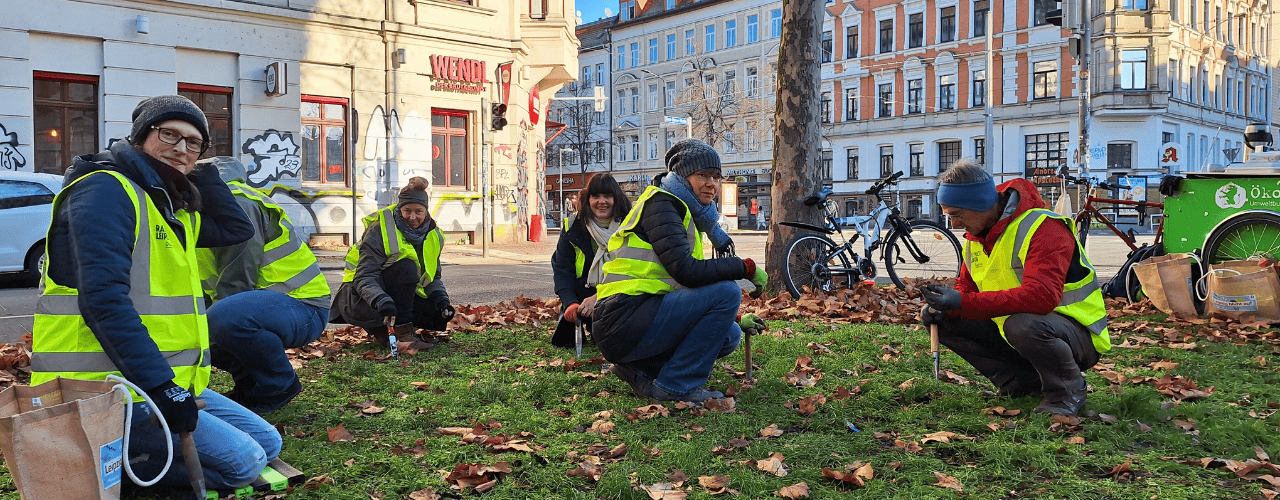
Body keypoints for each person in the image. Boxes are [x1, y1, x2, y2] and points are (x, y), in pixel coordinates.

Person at [30, 95, 281, 489]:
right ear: (141, 137)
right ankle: (108, 469)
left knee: (269, 442)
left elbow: (237, 230)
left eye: (193, 142)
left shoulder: (166, 204)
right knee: (245, 463)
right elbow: (103, 300)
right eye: (169, 135)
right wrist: (162, 388)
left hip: (150, 381)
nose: (180, 148)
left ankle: (133, 452)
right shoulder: (106, 191)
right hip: (101, 389)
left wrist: (203, 173)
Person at [921, 158, 1110, 416]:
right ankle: (1021, 384)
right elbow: (967, 291)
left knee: (1023, 324)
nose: (953, 225)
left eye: (956, 214)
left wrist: (963, 303)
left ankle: (1066, 394)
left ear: (981, 204)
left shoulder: (1044, 228)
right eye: (948, 216)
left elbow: (1041, 297)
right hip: (1025, 330)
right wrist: (946, 305)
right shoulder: (975, 239)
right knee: (943, 317)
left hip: (1079, 334)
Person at [590, 139, 768, 402]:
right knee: (729, 292)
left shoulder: (686, 211)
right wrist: (745, 267)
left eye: (716, 176)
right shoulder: (661, 204)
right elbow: (687, 272)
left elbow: (680, 284)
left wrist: (734, 320)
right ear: (683, 176)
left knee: (729, 335)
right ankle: (676, 386)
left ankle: (639, 369)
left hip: (638, 315)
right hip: (623, 319)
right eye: (703, 175)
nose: (712, 183)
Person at [197, 156, 332, 415]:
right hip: (270, 308)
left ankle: (279, 385)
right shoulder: (205, 205)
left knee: (221, 320)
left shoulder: (237, 202)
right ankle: (250, 387)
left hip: (303, 306)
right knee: (197, 327)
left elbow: (238, 275)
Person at [330, 177, 454, 349]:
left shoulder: (434, 235)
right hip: (358, 297)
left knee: (435, 310)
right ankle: (402, 336)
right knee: (407, 268)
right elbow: (365, 276)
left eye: (418, 211)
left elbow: (433, 276)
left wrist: (442, 301)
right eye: (407, 210)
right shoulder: (381, 229)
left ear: (426, 211)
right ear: (399, 209)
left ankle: (393, 333)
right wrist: (382, 301)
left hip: (388, 292)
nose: (412, 217)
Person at [550, 173, 632, 348]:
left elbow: (632, 274)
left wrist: (600, 297)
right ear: (588, 199)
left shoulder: (631, 226)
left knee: (612, 341)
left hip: (621, 294)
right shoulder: (573, 226)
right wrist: (571, 303)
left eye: (607, 196)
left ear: (616, 199)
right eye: (596, 196)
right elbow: (562, 270)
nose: (601, 201)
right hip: (584, 294)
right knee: (565, 341)